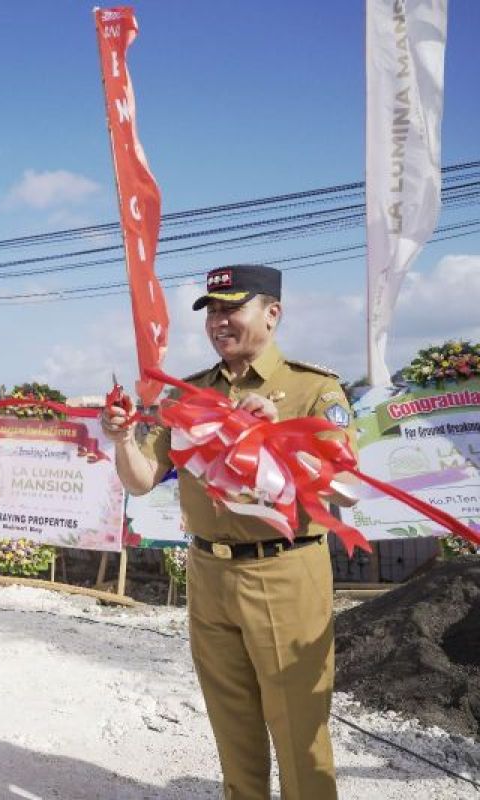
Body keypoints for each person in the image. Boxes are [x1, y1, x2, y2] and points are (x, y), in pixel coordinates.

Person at [101, 264, 356, 799]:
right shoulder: (188, 395)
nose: (218, 320)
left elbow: (341, 483)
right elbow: (143, 478)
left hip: (284, 571)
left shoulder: (312, 388)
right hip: (209, 572)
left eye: (231, 308)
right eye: (212, 310)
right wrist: (123, 439)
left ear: (272, 313)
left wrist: (275, 435)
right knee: (231, 727)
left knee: (297, 732)